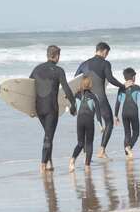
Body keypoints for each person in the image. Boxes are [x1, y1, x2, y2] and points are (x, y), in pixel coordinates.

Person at [75, 42, 130, 159]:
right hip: (100, 99)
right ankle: (101, 150)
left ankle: (86, 155)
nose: (107, 55)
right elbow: (110, 79)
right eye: (107, 53)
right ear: (104, 51)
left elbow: (75, 80)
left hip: (86, 100)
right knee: (109, 123)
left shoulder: (84, 64)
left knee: (87, 125)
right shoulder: (105, 63)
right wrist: (123, 86)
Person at [30, 45, 77, 173]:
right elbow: (66, 89)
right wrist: (73, 105)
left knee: (48, 134)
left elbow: (28, 89)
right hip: (51, 108)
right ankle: (42, 164)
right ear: (56, 56)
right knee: (48, 136)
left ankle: (49, 162)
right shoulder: (58, 70)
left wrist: (30, 109)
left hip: (39, 108)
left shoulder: (36, 69)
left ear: (47, 55)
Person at [114, 67, 140, 159]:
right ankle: (128, 148)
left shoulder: (121, 88)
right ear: (133, 77)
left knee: (127, 134)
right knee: (136, 133)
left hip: (124, 113)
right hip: (133, 112)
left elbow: (117, 102)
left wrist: (115, 115)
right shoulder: (137, 88)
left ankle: (127, 154)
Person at [69, 75, 102, 173]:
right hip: (89, 121)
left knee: (80, 143)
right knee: (89, 144)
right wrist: (100, 125)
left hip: (80, 121)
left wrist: (72, 111)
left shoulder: (77, 95)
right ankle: (87, 166)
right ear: (90, 85)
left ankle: (72, 160)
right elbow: (98, 112)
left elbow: (72, 111)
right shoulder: (93, 96)